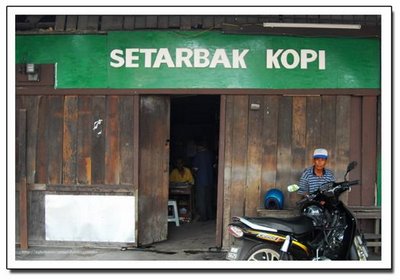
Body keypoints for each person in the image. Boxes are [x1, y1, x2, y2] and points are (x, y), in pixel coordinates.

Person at [192, 141, 214, 221]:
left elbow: (195, 169)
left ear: (199, 146)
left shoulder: (198, 156)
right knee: (209, 199)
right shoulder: (210, 155)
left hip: (201, 181)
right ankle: (211, 216)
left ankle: (203, 217)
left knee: (201, 199)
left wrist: (194, 174)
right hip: (210, 181)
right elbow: (214, 166)